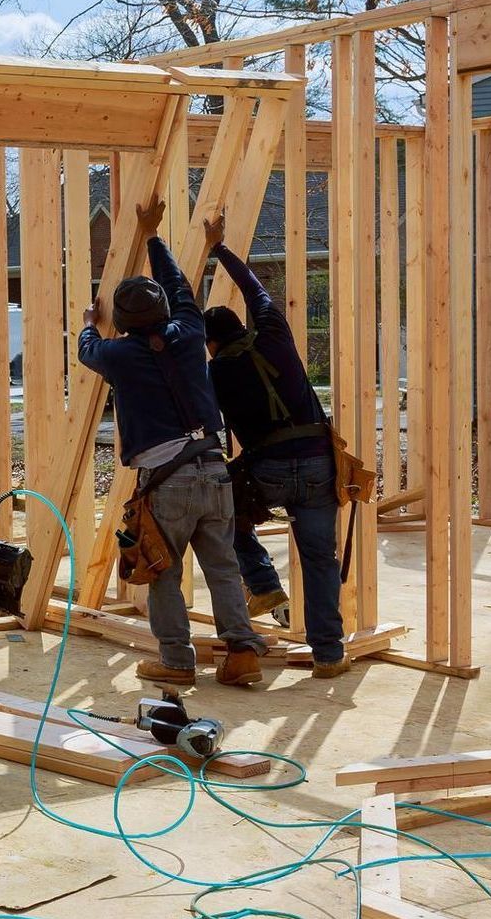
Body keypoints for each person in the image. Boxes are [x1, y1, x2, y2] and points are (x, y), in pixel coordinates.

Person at [78, 197, 267, 688]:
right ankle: (242, 653)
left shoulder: (116, 354)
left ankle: (178, 661)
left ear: (120, 321)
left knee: (161, 570)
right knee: (224, 566)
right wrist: (153, 236)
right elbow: (182, 287)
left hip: (167, 482)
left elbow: (88, 350)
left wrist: (85, 323)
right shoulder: (189, 332)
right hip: (214, 468)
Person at [201, 210, 349, 679]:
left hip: (267, 469)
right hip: (318, 464)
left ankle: (264, 586)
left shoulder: (216, 371)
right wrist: (219, 248)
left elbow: (213, 426)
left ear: (211, 342)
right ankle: (329, 655)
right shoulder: (275, 333)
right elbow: (255, 291)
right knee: (319, 559)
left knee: (224, 518)